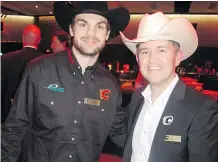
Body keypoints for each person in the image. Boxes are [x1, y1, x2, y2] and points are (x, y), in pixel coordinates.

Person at [1, 2, 130, 162]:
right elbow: (15, 128)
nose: (91, 33)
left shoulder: (111, 85)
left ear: (107, 34)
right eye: (83, 24)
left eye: (99, 26)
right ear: (71, 29)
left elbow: (121, 133)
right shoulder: (39, 70)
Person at [120, 12, 218, 162]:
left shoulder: (201, 109)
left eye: (161, 50)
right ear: (138, 59)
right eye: (145, 52)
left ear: (177, 56)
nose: (152, 59)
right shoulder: (137, 98)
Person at [1, 24, 44, 123]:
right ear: (39, 40)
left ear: (23, 37)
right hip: (37, 114)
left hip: (9, 112)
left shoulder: (6, 58)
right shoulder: (46, 60)